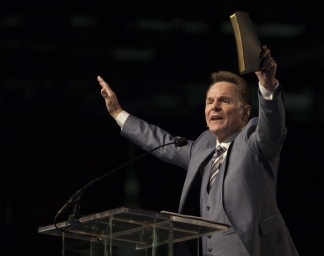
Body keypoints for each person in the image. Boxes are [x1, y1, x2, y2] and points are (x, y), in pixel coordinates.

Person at [97, 45, 298, 256]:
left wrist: (267, 87)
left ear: (245, 113)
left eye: (224, 101)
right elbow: (160, 142)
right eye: (210, 101)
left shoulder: (254, 140)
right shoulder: (203, 148)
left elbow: (272, 127)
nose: (215, 106)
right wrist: (118, 113)